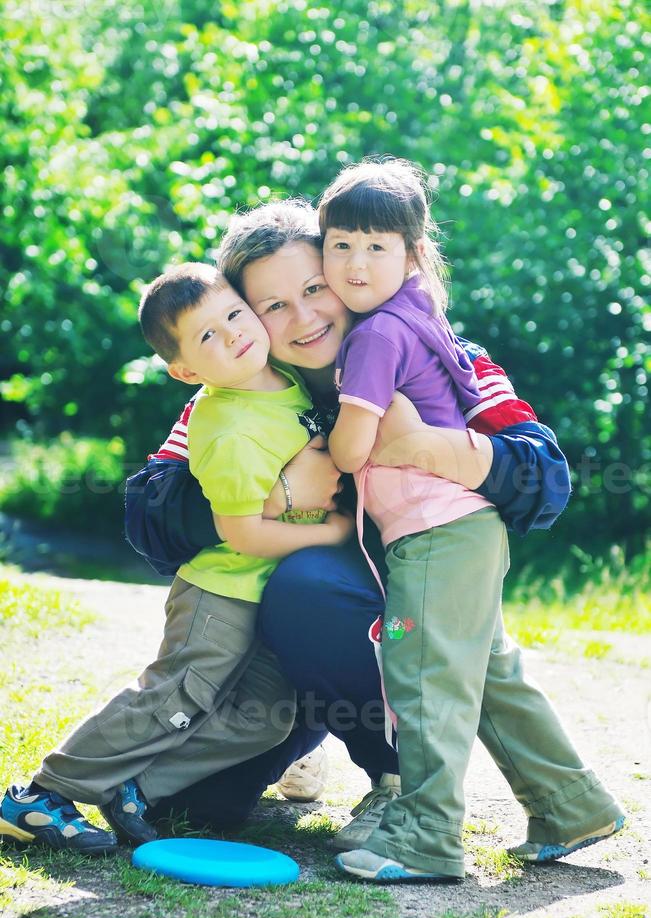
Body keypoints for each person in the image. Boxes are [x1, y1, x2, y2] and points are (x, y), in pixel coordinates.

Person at [124, 197, 624, 873]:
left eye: (312, 289)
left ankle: (396, 780)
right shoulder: (235, 393)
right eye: (272, 306)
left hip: (393, 596)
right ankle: (305, 737)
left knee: (316, 589)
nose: (301, 317)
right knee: (196, 807)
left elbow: (543, 476)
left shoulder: (426, 351)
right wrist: (278, 494)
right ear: (244, 315)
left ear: (342, 275)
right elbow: (147, 514)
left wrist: (431, 447)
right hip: (277, 650)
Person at [317, 158, 623, 881]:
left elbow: (355, 443)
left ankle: (426, 838)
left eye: (375, 246)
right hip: (467, 529)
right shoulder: (418, 318)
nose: (355, 262)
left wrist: (324, 444)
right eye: (340, 244)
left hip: (435, 532)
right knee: (485, 676)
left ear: (412, 252)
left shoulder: (373, 337)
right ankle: (570, 805)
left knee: (425, 677)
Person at [0, 264, 354, 855]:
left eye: (234, 315)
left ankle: (135, 787)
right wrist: (332, 532)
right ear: (186, 371)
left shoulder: (285, 381)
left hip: (268, 596)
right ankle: (42, 793)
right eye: (208, 336)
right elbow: (240, 534)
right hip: (222, 594)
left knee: (266, 716)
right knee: (173, 697)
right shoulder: (226, 426)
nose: (234, 335)